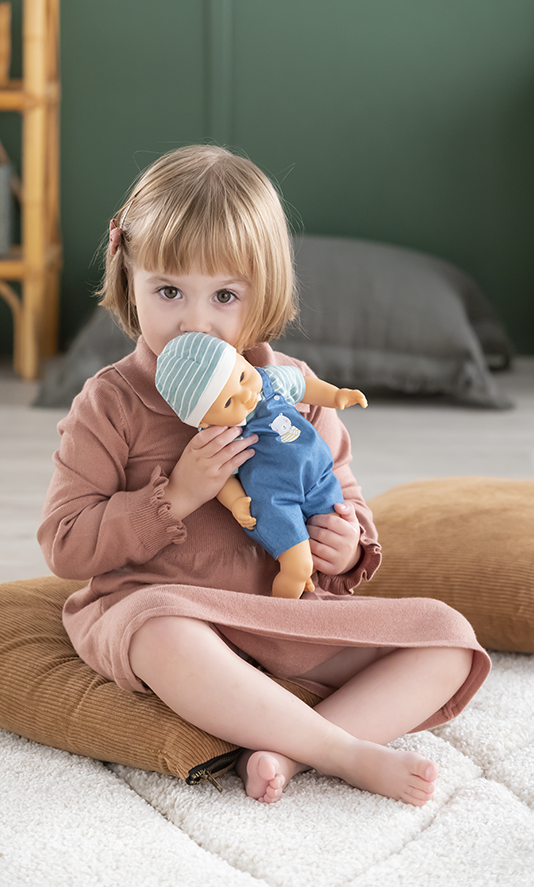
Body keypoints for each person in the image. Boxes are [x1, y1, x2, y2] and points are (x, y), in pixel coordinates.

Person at [38, 145, 490, 807]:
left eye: (223, 295)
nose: (195, 321)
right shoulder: (109, 403)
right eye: (169, 291)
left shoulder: (294, 395)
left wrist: (345, 545)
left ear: (262, 293)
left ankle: (284, 749)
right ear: (128, 277)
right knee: (161, 626)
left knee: (449, 639)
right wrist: (175, 496)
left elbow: (342, 495)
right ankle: (341, 752)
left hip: (279, 618)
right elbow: (65, 543)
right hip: (169, 615)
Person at [155, 331, 367, 599]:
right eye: (228, 402)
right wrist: (235, 502)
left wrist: (336, 395)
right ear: (205, 422)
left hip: (320, 477)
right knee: (298, 566)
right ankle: (280, 615)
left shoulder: (273, 379)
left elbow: (304, 386)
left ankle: (307, 609)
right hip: (275, 500)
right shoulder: (220, 436)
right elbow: (220, 477)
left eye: (242, 377)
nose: (245, 396)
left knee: (335, 532)